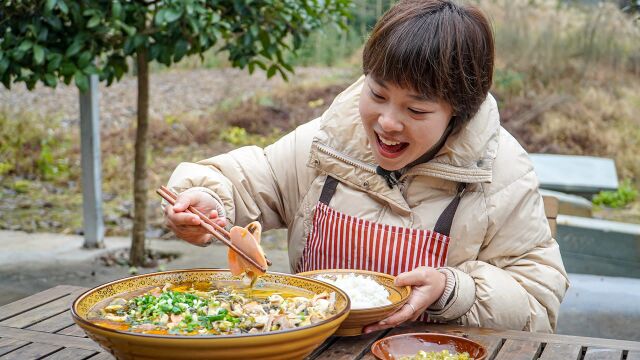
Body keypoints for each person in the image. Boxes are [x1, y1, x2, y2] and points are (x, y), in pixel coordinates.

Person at [164, 0, 569, 333]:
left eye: (416, 108)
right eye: (377, 94)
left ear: (458, 112)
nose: (388, 122)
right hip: (315, 346)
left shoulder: (501, 175)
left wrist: (453, 290)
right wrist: (207, 198)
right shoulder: (330, 141)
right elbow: (250, 179)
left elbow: (537, 299)